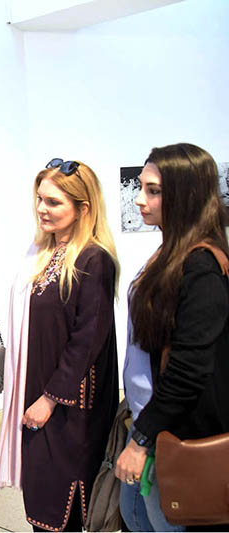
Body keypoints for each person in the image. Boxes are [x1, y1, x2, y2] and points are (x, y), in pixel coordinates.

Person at [0, 158, 120, 531]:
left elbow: (87, 340)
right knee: (42, 504)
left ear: (83, 208)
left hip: (70, 408)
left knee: (63, 511)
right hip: (38, 394)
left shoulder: (94, 259)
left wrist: (49, 400)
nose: (41, 209)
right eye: (39, 199)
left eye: (53, 202)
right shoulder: (42, 253)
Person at [116, 143, 229, 531]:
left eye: (153, 190)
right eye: (141, 187)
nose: (139, 199)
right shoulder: (170, 254)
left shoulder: (201, 267)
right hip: (153, 422)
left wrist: (139, 440)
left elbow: (188, 369)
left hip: (177, 433)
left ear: (185, 195)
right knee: (136, 517)